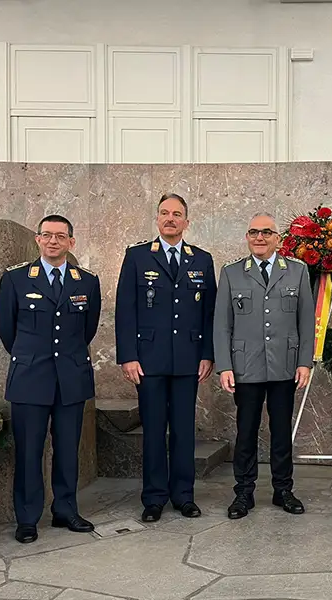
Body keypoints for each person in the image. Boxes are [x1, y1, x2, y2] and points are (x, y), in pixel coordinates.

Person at [0, 214, 101, 544]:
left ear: (71, 242)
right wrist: (29, 356)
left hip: (71, 376)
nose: (54, 241)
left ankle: (65, 509)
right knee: (29, 451)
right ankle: (27, 518)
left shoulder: (86, 282)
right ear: (38, 240)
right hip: (30, 377)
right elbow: (7, 329)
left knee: (68, 448)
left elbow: (88, 329)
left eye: (61, 236)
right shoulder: (16, 280)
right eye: (47, 235)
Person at [114, 193, 216, 523]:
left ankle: (184, 495)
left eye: (177, 214)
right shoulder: (138, 256)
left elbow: (209, 313)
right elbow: (125, 310)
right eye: (164, 213)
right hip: (149, 360)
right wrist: (128, 356)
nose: (170, 218)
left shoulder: (201, 260)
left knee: (184, 431)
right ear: (157, 219)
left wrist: (207, 354)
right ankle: (154, 497)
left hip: (188, 360)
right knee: (154, 430)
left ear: (187, 222)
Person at [213, 212, 315, 519]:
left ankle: (283, 489)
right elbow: (222, 324)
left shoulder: (297, 272)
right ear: (247, 237)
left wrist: (304, 363)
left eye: (266, 232)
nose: (259, 237)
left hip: (284, 365)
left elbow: (306, 322)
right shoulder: (231, 273)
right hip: (246, 367)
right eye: (254, 232)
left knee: (281, 430)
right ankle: (244, 492)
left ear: (277, 238)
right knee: (246, 430)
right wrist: (225, 366)